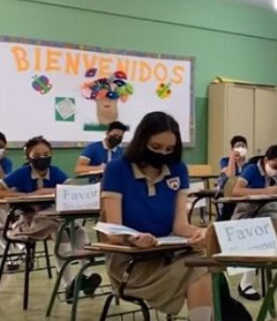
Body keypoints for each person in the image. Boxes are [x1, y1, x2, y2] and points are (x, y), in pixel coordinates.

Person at [100, 112, 217, 320]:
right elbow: (113, 232)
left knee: (203, 263)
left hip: (166, 255)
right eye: (156, 147)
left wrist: (202, 232)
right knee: (198, 269)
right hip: (130, 263)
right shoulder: (117, 169)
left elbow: (180, 226)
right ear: (141, 140)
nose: (163, 154)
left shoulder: (177, 170)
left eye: (169, 149)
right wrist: (133, 239)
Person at [0, 136, 99, 302]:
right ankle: (69, 285)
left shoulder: (55, 171)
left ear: (51, 154)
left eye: (46, 154)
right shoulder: (22, 173)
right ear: (28, 157)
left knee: (80, 231)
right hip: (30, 221)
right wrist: (29, 195)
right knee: (60, 233)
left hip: (53, 218)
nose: (42, 159)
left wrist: (55, 190)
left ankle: (85, 278)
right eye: (37, 156)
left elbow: (71, 189)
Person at [232, 145, 277, 300]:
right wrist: (266, 191)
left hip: (267, 212)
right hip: (246, 214)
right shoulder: (252, 169)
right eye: (275, 167)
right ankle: (246, 283)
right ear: (266, 160)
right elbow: (236, 191)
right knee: (262, 237)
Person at [217, 135, 252, 220]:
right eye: (237, 147)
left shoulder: (250, 164)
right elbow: (230, 175)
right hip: (227, 192)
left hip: (244, 193)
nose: (240, 149)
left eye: (243, 146)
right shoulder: (225, 160)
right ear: (232, 149)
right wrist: (233, 158)